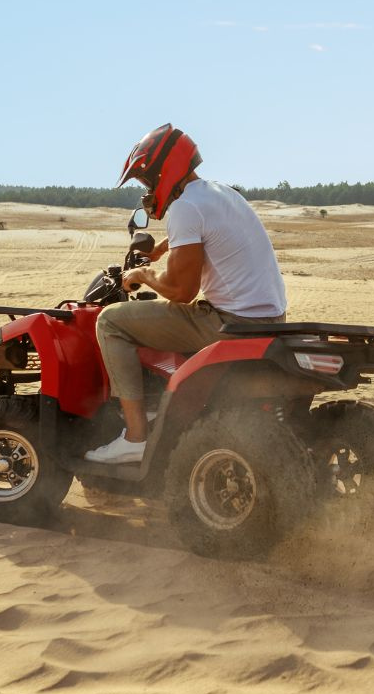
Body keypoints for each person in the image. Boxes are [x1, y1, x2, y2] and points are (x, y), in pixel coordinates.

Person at [84, 124, 288, 464]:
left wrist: (144, 274)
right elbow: (205, 230)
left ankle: (135, 436)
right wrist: (161, 249)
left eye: (147, 181)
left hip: (227, 323)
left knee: (109, 323)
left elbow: (181, 291)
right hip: (270, 319)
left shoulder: (185, 209)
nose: (147, 190)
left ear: (164, 171)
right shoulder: (221, 192)